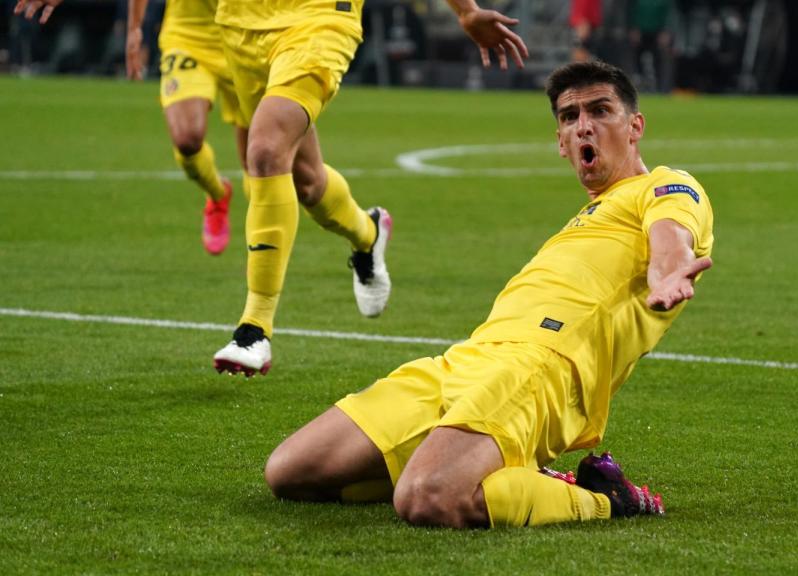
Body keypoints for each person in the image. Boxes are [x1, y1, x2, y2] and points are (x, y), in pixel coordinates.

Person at [261, 61, 714, 528]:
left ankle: (605, 498)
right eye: (569, 116)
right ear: (560, 142)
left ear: (635, 126)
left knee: (426, 499)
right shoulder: (590, 215)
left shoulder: (663, 186)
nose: (584, 126)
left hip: (541, 367)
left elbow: (671, 239)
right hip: (468, 359)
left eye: (600, 111)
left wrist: (667, 276)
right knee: (290, 473)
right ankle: (477, 462)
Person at [16, 0, 530, 377]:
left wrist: (464, 11)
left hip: (317, 21)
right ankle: (367, 233)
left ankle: (254, 330)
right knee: (304, 182)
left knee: (264, 151)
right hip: (238, 29)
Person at [126, 0, 246, 256]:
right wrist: (135, 28)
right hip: (188, 35)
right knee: (186, 138)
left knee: (264, 161)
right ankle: (217, 193)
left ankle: (266, 258)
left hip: (246, 36)